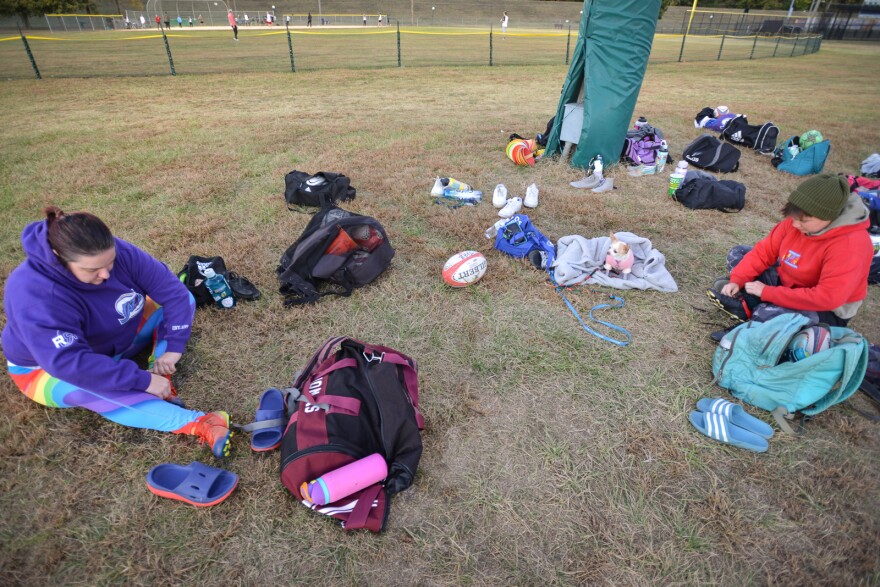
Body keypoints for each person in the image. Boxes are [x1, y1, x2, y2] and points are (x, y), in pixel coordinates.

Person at [2, 207, 232, 458]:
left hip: (120, 336)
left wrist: (173, 350)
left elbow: (174, 294)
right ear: (60, 258)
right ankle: (201, 423)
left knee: (185, 300)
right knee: (85, 388)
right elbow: (73, 365)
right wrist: (141, 380)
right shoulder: (33, 294)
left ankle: (161, 371)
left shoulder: (113, 251)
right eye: (93, 271)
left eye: (109, 263)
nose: (106, 274)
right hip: (44, 370)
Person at [707, 174, 873, 337]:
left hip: (824, 309)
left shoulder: (850, 245)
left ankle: (754, 314)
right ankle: (753, 303)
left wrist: (768, 292)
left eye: (803, 221)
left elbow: (827, 298)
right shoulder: (797, 221)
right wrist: (738, 279)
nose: (794, 224)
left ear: (829, 217)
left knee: (782, 320)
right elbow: (763, 252)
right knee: (740, 253)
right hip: (789, 283)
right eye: (793, 217)